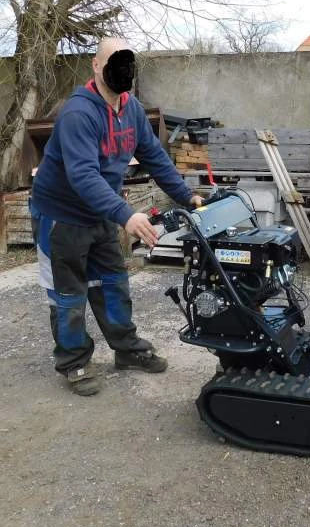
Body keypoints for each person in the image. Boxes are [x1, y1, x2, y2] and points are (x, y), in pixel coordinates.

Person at [30, 36, 203, 395]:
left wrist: (187, 196)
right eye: (113, 61)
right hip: (62, 217)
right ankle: (74, 363)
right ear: (96, 65)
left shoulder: (131, 108)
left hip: (100, 214)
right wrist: (126, 214)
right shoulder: (79, 113)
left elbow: (154, 156)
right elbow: (83, 175)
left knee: (113, 285)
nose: (122, 69)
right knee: (68, 294)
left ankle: (127, 350)